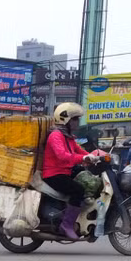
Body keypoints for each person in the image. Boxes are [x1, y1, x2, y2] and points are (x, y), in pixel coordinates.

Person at [42, 102, 98, 240]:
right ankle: (66, 225)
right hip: (53, 174)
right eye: (75, 119)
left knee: (87, 179)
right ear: (65, 119)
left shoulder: (68, 137)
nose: (77, 122)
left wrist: (95, 156)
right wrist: (84, 157)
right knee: (77, 190)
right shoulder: (56, 136)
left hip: (64, 172)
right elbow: (62, 156)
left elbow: (79, 150)